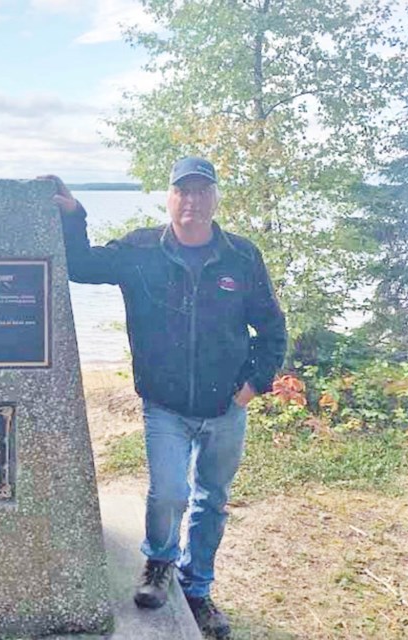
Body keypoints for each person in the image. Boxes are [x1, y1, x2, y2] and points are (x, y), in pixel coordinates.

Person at [41, 157, 287, 639]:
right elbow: (81, 265)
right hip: (165, 405)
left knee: (212, 500)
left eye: (201, 191)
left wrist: (255, 383)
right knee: (170, 492)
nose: (192, 201)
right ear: (169, 197)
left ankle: (198, 588)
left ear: (215, 197)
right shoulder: (139, 250)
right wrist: (73, 214)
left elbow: (272, 328)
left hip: (226, 406)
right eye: (183, 191)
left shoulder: (241, 256)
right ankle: (158, 563)